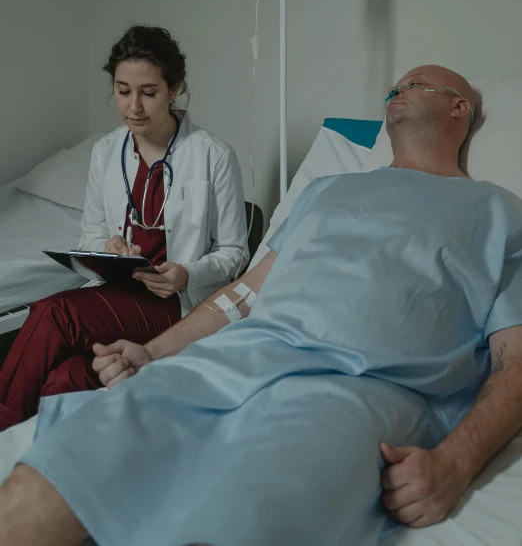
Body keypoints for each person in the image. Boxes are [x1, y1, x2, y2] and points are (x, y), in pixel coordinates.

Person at [2, 64, 522, 546]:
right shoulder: (327, 191)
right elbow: (246, 293)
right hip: (229, 363)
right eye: (394, 87)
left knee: (238, 516)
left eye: (414, 83)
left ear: (460, 109)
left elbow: (514, 360)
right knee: (57, 470)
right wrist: (153, 354)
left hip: (358, 388)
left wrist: (456, 464)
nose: (396, 90)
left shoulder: (498, 213)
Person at [0, 25, 248, 432]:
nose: (134, 106)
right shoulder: (105, 151)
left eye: (148, 93)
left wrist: (187, 274)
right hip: (119, 292)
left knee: (56, 313)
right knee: (67, 378)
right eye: (122, 90)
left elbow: (236, 253)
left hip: (175, 305)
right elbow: (91, 233)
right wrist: (110, 249)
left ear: (175, 89)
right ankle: (42, 461)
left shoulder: (213, 155)